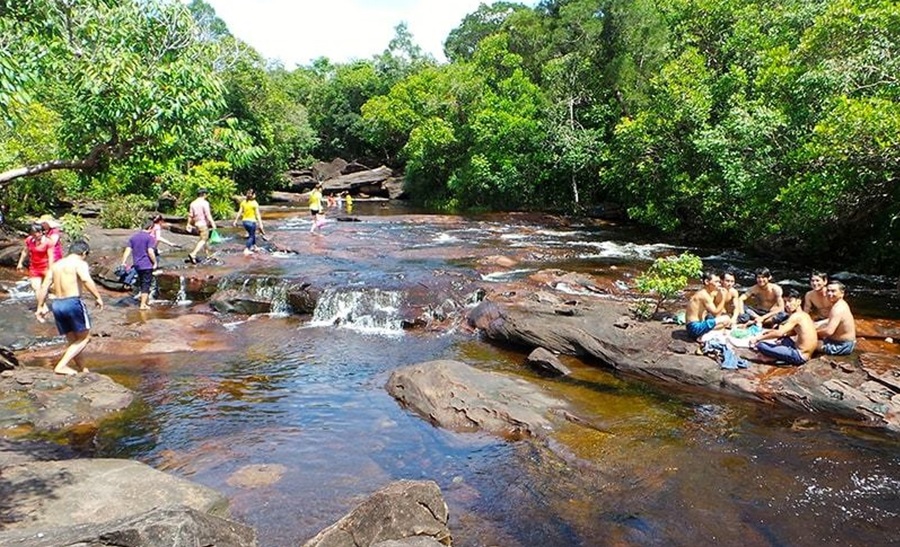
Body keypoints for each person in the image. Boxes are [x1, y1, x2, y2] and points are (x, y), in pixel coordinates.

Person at [35, 240, 104, 375]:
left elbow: (44, 286)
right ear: (84, 253)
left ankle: (84, 370)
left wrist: (40, 306)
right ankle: (61, 366)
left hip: (57, 304)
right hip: (72, 302)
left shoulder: (56, 265)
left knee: (73, 341)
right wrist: (97, 297)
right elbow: (85, 279)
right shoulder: (79, 263)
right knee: (84, 338)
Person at [749, 289, 817, 366]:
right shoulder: (804, 315)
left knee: (760, 345)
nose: (787, 304)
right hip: (803, 352)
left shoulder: (796, 316)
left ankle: (772, 358)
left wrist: (757, 338)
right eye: (785, 302)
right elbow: (793, 332)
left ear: (799, 301)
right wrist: (771, 332)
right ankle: (776, 356)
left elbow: (780, 333)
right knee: (782, 339)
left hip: (799, 356)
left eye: (790, 301)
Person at [121, 219, 158, 310]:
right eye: (153, 229)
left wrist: (123, 262)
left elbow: (127, 250)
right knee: (146, 284)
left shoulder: (134, 237)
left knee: (141, 282)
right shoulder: (149, 238)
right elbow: (150, 251)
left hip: (137, 265)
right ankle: (143, 305)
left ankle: (144, 301)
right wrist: (155, 262)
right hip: (146, 265)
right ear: (150, 228)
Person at [685, 271, 731, 339]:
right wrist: (723, 298)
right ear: (707, 282)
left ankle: (704, 334)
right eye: (716, 282)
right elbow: (715, 312)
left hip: (693, 326)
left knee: (721, 322)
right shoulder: (704, 295)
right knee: (726, 319)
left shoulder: (705, 292)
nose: (719, 284)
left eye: (719, 282)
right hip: (694, 328)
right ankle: (702, 336)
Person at [816, 281, 856, 356]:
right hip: (842, 342)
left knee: (806, 342)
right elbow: (836, 319)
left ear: (842, 293)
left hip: (841, 346)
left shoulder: (838, 309)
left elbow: (828, 332)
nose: (829, 294)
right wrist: (820, 323)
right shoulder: (840, 304)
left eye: (833, 291)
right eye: (828, 291)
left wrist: (813, 333)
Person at [17, 224, 54, 294]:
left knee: (45, 288)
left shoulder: (48, 242)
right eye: (32, 233)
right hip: (34, 268)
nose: (35, 234)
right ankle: (41, 304)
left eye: (36, 232)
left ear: (41, 232)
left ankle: (42, 304)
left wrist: (51, 270)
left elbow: (51, 256)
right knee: (36, 288)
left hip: (45, 268)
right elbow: (25, 251)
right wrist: (20, 263)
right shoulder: (29, 240)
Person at [186, 187, 216, 264]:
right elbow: (208, 215)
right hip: (203, 224)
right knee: (203, 239)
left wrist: (188, 224)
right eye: (206, 194)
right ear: (203, 194)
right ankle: (193, 254)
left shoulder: (193, 203)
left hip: (196, 224)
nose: (207, 195)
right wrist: (213, 223)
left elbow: (190, 215)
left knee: (204, 239)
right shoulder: (205, 203)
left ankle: (208, 254)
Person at [233, 189, 265, 255]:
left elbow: (239, 212)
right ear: (253, 195)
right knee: (251, 236)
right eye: (254, 194)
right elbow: (257, 214)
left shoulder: (243, 202)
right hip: (252, 222)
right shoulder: (255, 203)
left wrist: (235, 220)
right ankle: (247, 249)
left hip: (244, 222)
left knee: (252, 234)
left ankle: (254, 246)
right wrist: (260, 224)